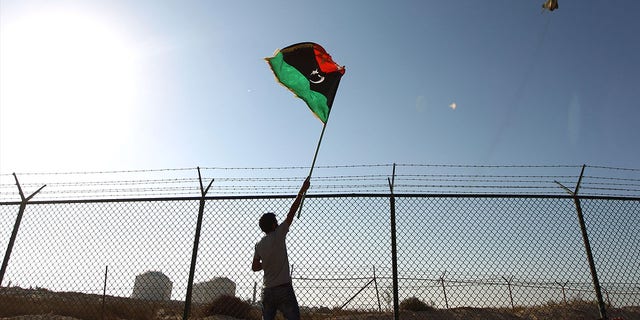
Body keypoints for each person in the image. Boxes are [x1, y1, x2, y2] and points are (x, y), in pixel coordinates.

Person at [252, 176, 311, 320]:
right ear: (273, 225)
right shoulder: (279, 234)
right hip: (283, 288)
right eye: (276, 222)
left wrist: (265, 264)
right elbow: (291, 212)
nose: (278, 223)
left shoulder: (259, 245)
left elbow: (254, 267)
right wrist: (302, 191)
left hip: (267, 290)